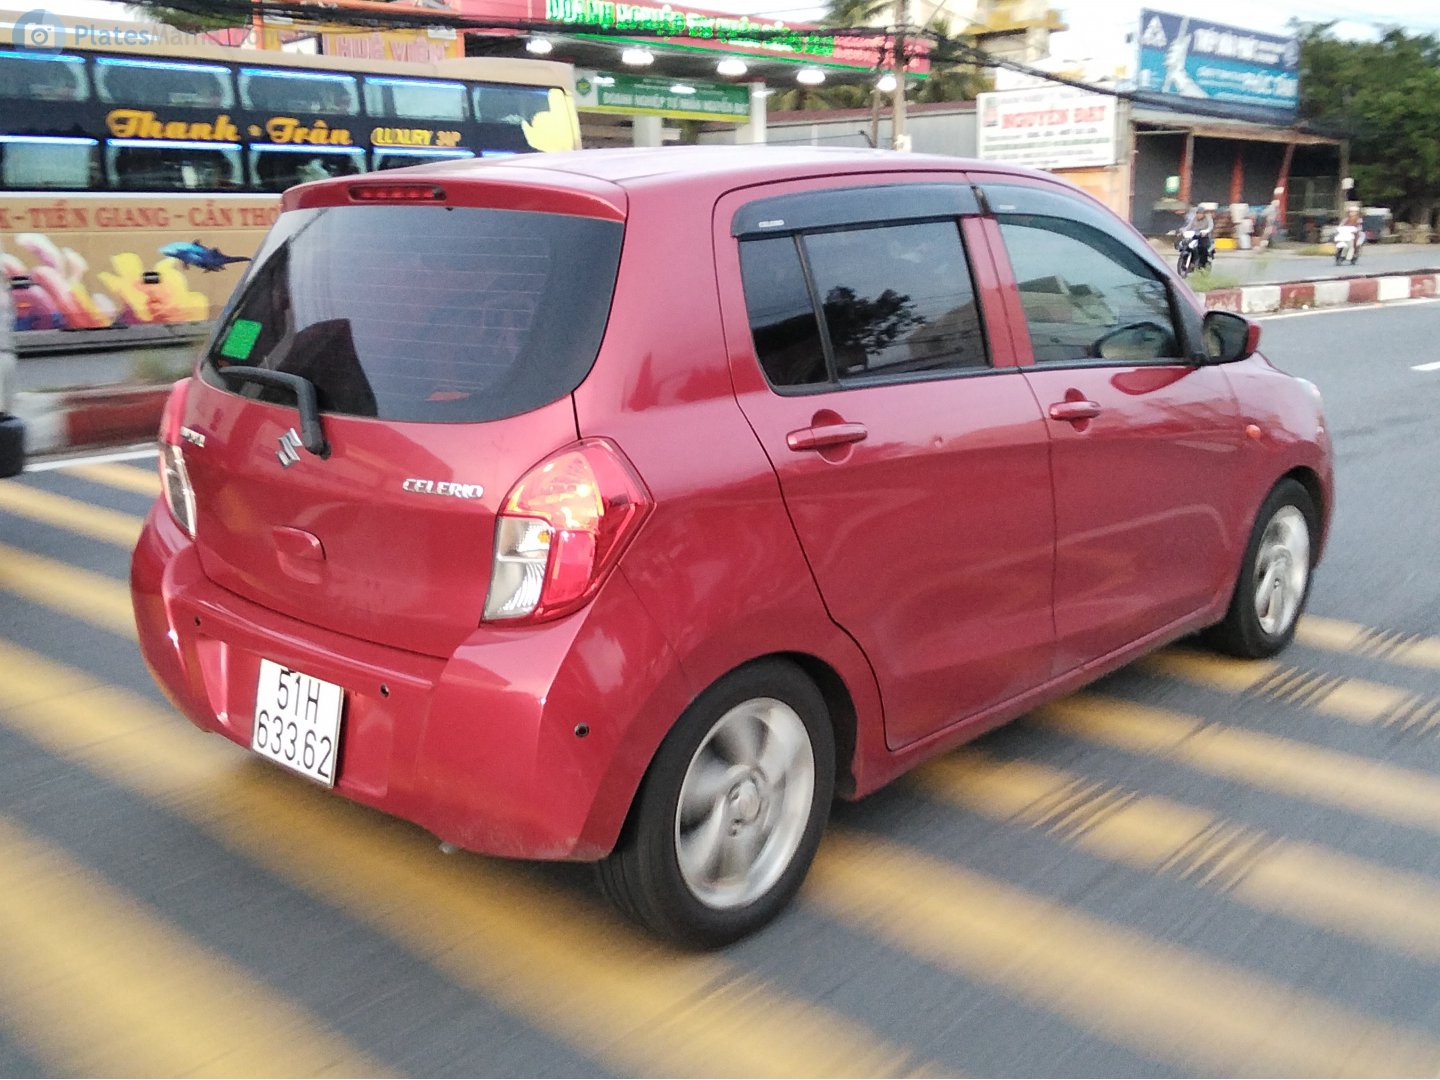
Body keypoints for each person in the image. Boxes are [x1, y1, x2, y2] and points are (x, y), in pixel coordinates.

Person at [1180, 203, 1216, 269]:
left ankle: (1202, 264)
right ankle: (1186, 261)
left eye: (1200, 213)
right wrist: (1183, 230)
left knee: (1202, 248)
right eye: (1197, 213)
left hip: (1204, 237)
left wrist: (1206, 231)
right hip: (1195, 235)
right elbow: (1189, 226)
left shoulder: (1208, 218)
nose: (1198, 215)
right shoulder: (1194, 219)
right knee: (1186, 245)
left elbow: (1210, 227)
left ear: (1203, 214)